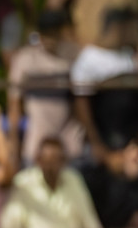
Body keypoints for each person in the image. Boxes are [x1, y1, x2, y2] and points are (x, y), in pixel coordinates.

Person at [0, 136, 112, 228]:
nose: (51, 166)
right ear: (37, 160)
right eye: (47, 160)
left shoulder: (74, 180)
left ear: (64, 161)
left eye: (56, 160)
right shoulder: (23, 184)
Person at [71, 7, 138, 158]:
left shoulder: (129, 55)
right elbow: (81, 104)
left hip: (130, 136)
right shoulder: (89, 58)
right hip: (105, 137)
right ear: (118, 28)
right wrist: (96, 142)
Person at [8, 9, 84, 164]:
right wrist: (14, 146)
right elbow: (14, 105)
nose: (51, 38)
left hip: (69, 146)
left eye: (54, 32)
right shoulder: (25, 59)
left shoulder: (75, 55)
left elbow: (82, 102)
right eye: (46, 33)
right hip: (36, 146)